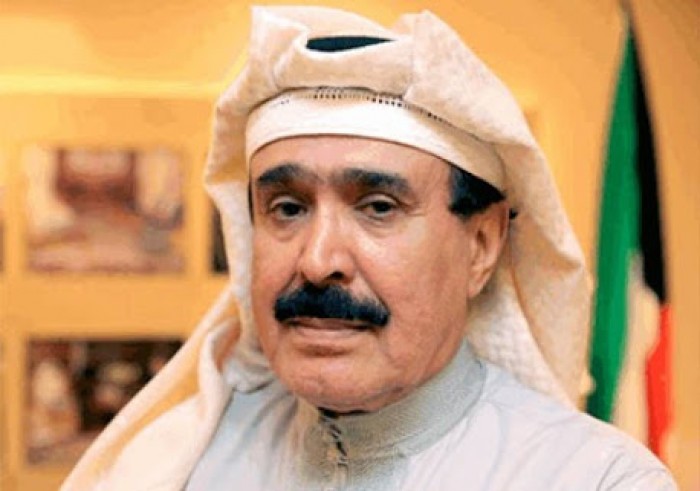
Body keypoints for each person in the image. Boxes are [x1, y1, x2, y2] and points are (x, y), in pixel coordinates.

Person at [62, 6, 676, 490]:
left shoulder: (594, 479)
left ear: (482, 245)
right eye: (288, 208)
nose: (317, 260)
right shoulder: (177, 461)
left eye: (378, 207)